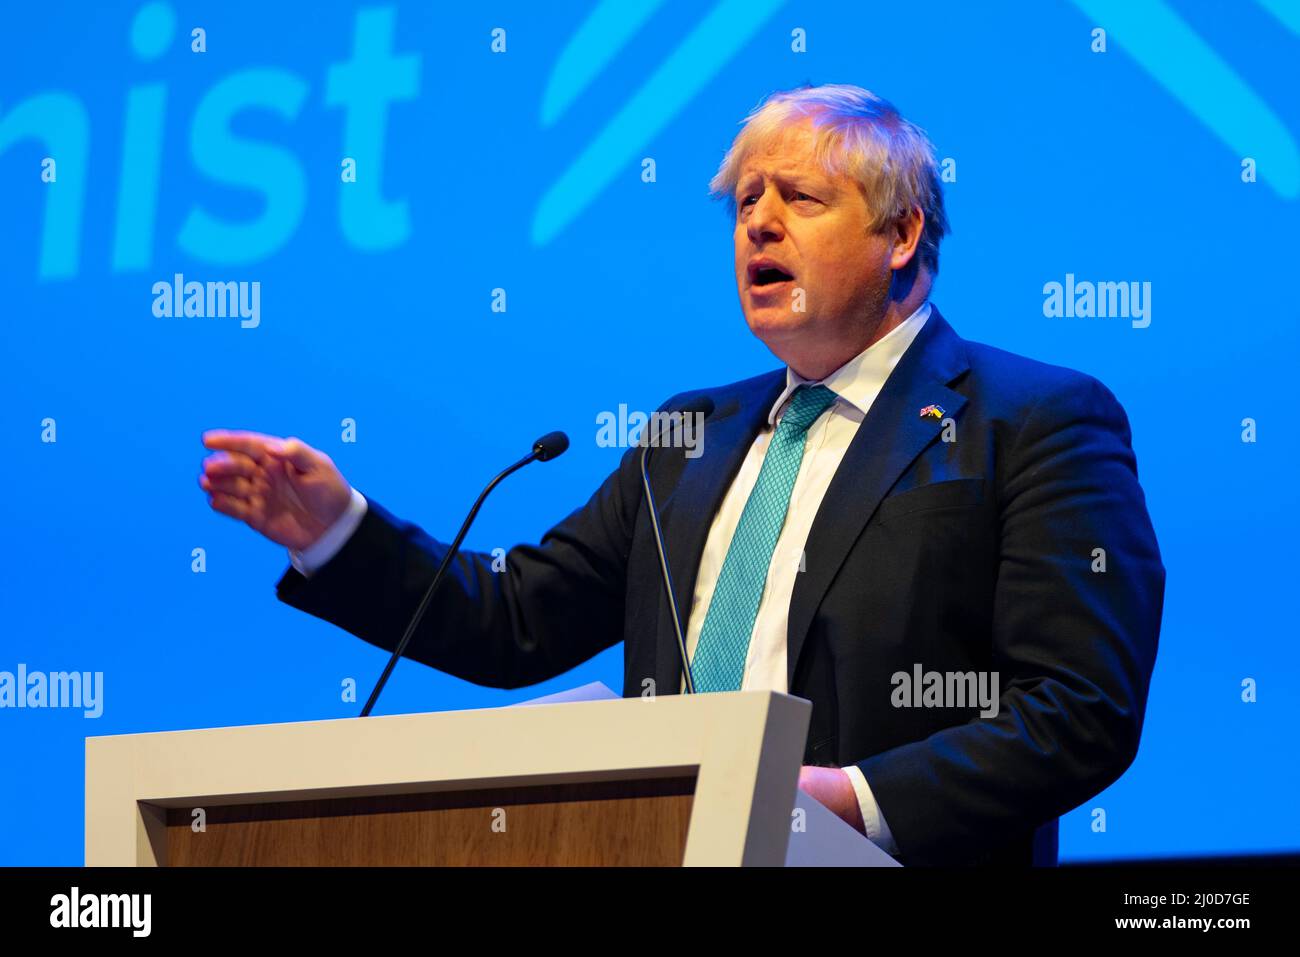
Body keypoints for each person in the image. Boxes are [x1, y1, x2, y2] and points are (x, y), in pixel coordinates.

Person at [199, 84, 1164, 866]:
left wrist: (846, 799)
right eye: (746, 203)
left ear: (902, 235)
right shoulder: (688, 433)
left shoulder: (1034, 418)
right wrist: (333, 530)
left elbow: (1079, 706)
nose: (759, 227)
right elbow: (515, 619)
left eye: (800, 199)